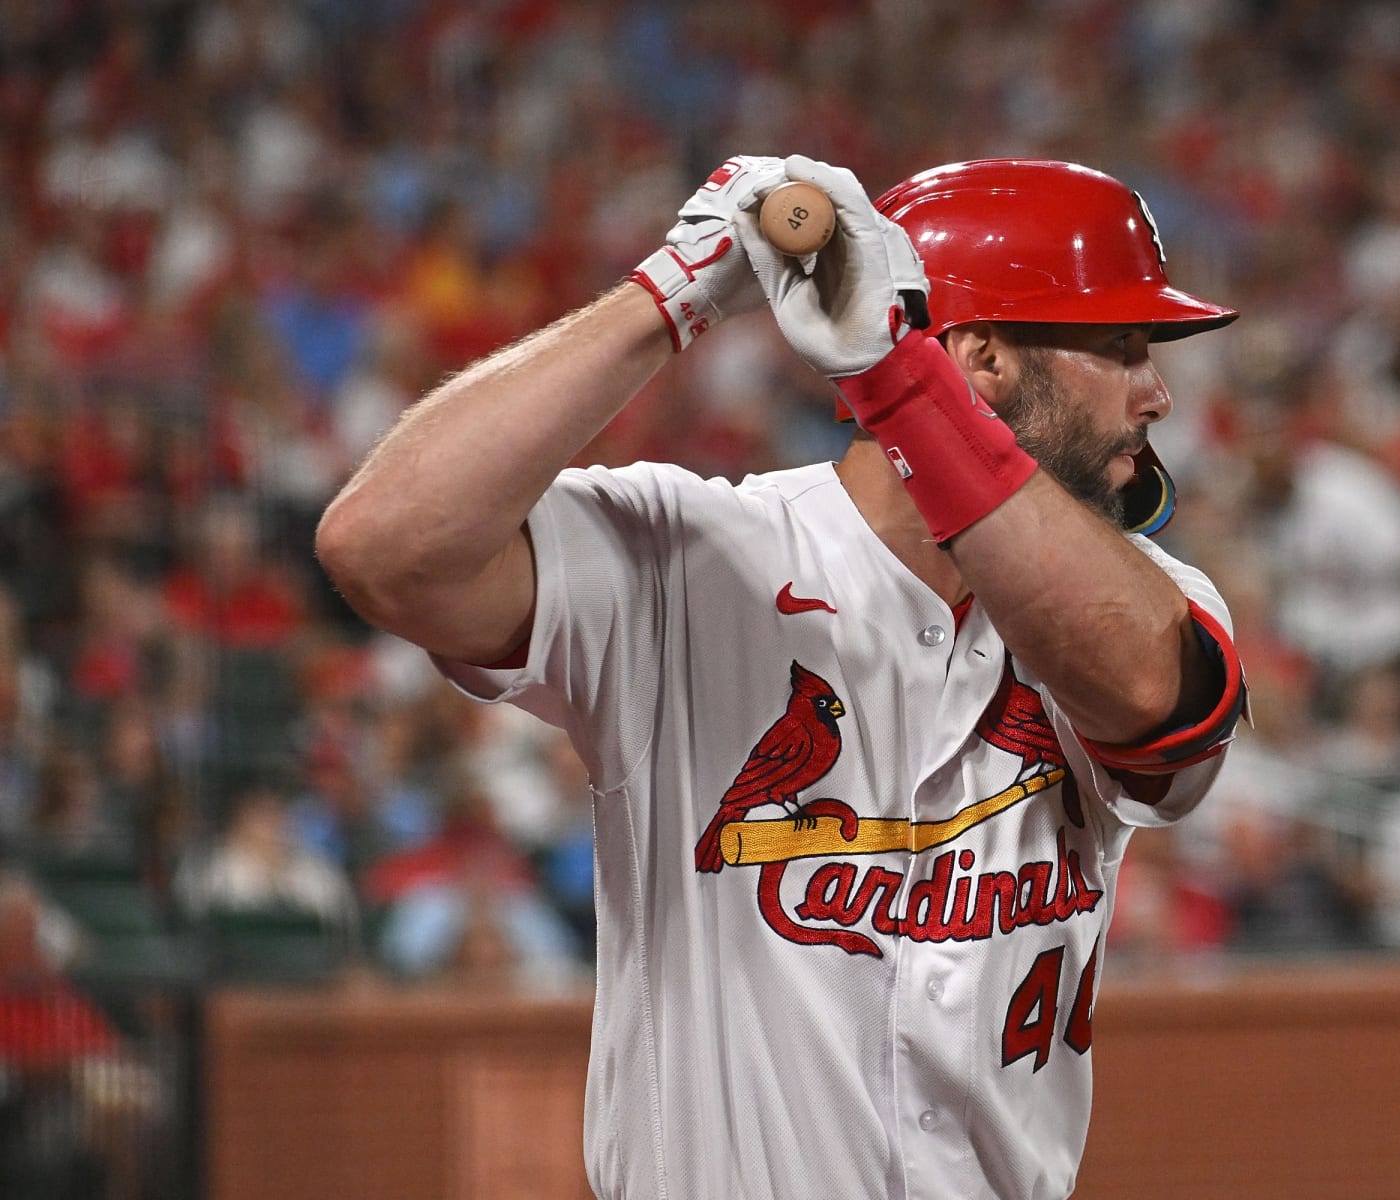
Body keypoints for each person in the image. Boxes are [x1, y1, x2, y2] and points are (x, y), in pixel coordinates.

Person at [316, 154, 1248, 1200]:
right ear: (983, 358)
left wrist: (899, 383)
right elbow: (381, 549)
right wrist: (677, 288)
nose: (1158, 393)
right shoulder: (691, 552)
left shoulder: (1149, 598)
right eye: (1122, 348)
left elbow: (1153, 700)